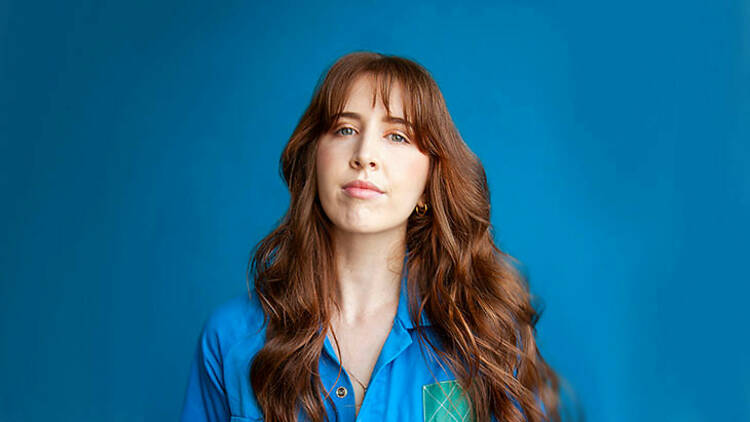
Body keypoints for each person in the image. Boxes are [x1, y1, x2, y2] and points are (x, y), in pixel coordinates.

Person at [179, 51, 564, 422]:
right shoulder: (231, 338)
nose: (365, 154)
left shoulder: (483, 332)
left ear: (430, 180)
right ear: (314, 158)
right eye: (345, 129)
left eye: (397, 136)